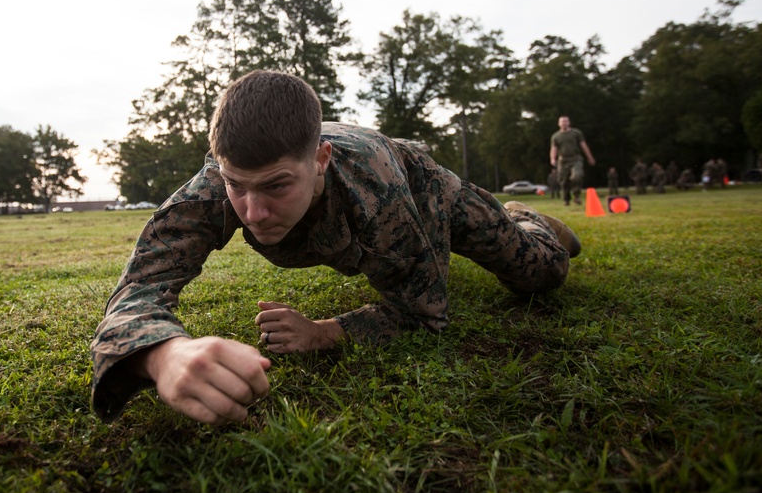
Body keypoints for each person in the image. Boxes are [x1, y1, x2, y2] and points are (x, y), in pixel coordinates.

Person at [89, 71, 582, 426]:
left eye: (277, 186)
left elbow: (423, 314)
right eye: (238, 186)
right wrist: (161, 354)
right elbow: (139, 287)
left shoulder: (380, 195)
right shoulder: (216, 185)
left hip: (421, 182)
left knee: (542, 274)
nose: (252, 212)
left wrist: (326, 332)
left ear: (319, 160)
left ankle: (524, 218)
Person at [549, 116, 596, 207]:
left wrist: (590, 157)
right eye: (562, 122)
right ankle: (566, 199)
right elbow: (554, 148)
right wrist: (552, 159)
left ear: (569, 122)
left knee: (577, 176)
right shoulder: (556, 136)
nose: (564, 123)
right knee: (563, 181)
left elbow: (583, 145)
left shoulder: (576, 133)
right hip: (563, 160)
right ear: (559, 124)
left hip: (575, 159)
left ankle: (576, 196)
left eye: (566, 121)